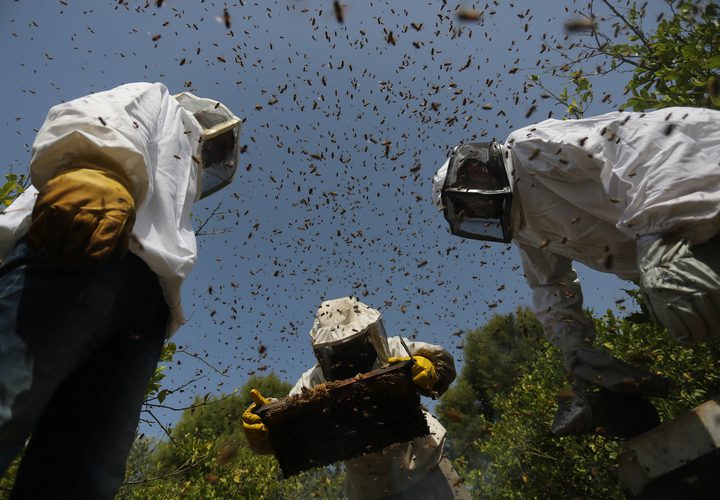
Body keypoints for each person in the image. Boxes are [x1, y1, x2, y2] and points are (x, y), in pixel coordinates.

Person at [0, 82, 241, 498]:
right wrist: (99, 168)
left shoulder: (181, 185)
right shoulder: (161, 102)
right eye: (214, 147)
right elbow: (110, 110)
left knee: (83, 478)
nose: (213, 156)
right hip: (85, 243)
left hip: (148, 310)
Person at [432, 106, 720, 437]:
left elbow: (633, 145)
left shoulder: (528, 148)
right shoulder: (525, 230)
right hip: (690, 241)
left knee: (679, 293)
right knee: (683, 309)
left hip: (703, 182)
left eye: (471, 197)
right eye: (467, 210)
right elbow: (551, 287)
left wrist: (660, 244)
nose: (476, 208)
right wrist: (577, 354)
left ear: (476, 169)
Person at [242, 296, 471, 500]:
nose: (347, 351)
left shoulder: (393, 350)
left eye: (352, 342)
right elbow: (285, 425)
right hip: (369, 488)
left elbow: (442, 363)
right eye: (339, 347)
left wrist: (430, 369)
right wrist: (265, 431)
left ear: (367, 334)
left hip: (426, 464)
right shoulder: (314, 380)